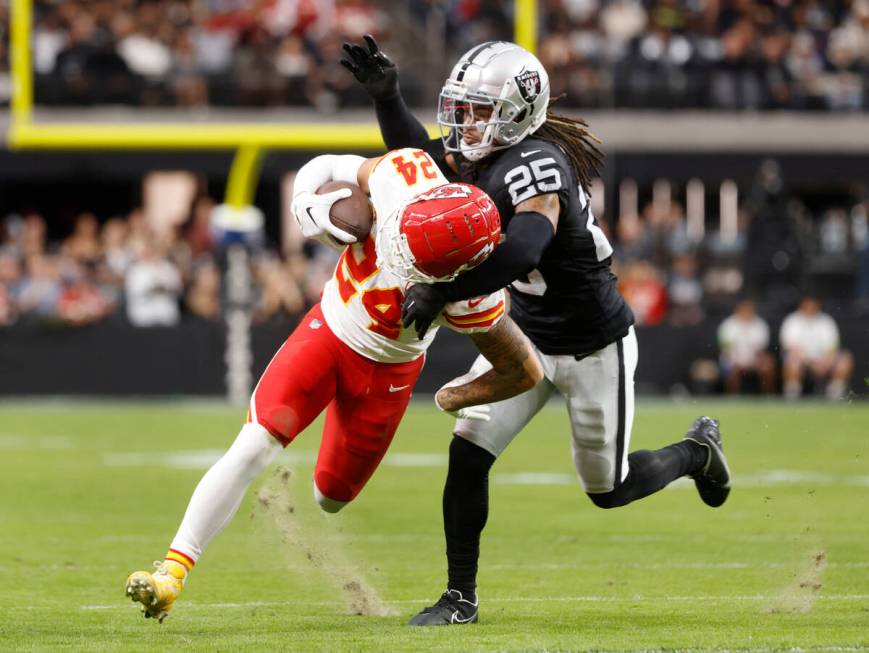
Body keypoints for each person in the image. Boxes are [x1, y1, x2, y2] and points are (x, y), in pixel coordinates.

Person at [341, 37, 732, 625]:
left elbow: (526, 247)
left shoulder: (539, 162)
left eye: (478, 110)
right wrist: (388, 97)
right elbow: (417, 161)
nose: (465, 123)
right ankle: (460, 598)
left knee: (609, 488)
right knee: (468, 454)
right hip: (525, 339)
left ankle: (696, 453)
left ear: (518, 112)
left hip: (593, 344)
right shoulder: (483, 154)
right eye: (462, 108)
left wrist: (445, 290)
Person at [124, 147, 544, 623]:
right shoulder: (402, 177)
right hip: (328, 333)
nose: (397, 250)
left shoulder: (476, 297)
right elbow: (326, 166)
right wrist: (308, 203)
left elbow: (522, 370)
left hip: (389, 374)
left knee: (331, 496)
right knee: (253, 445)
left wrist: (455, 395)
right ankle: (172, 574)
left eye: (417, 259)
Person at [780, 296, 853, 400]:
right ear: (802, 306)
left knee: (845, 359)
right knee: (792, 361)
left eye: (813, 306)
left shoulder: (826, 321)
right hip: (801, 360)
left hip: (823, 360)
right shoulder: (792, 320)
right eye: (808, 306)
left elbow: (832, 347)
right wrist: (809, 362)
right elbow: (790, 348)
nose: (810, 308)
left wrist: (826, 361)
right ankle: (792, 395)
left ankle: (835, 394)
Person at [717, 299, 776, 394]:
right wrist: (737, 361)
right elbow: (725, 349)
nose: (746, 313)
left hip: (755, 359)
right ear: (738, 310)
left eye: (749, 310)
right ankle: (732, 397)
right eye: (744, 310)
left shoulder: (760, 324)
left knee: (768, 365)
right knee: (728, 367)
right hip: (733, 359)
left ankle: (768, 395)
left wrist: (753, 361)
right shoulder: (728, 325)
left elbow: (761, 349)